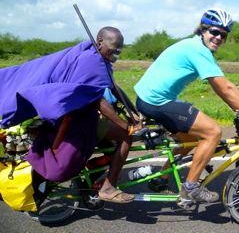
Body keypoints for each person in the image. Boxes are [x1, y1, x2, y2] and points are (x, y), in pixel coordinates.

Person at [134, 9, 239, 204]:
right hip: (156, 101)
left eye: (223, 35)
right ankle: (191, 188)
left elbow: (220, 89)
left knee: (190, 137)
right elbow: (225, 88)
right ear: (203, 30)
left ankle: (162, 178)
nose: (218, 37)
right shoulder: (198, 51)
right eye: (214, 32)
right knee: (212, 132)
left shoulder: (195, 46)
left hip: (150, 99)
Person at [0, 26, 140, 203]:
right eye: (114, 48)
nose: (117, 53)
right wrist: (126, 126)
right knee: (125, 137)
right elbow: (99, 101)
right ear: (100, 42)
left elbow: (113, 87)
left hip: (72, 116)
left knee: (111, 135)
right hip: (78, 120)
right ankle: (108, 187)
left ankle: (97, 171)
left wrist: (133, 112)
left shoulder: (95, 56)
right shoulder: (93, 63)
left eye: (119, 49)